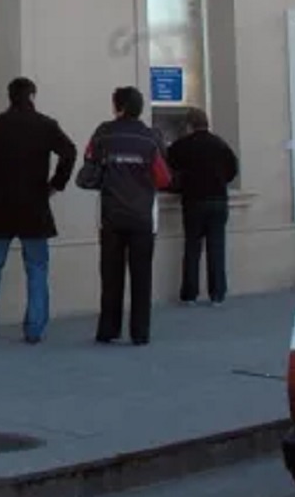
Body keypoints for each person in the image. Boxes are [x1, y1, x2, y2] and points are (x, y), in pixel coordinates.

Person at [0, 76, 78, 343]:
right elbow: (69, 152)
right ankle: (34, 329)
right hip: (34, 206)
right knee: (37, 268)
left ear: (9, 96)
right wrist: (55, 185)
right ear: (32, 96)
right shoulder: (45, 125)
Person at [83, 86, 171, 346]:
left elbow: (89, 169)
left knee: (111, 274)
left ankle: (108, 329)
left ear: (117, 106)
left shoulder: (103, 133)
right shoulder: (152, 137)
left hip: (111, 214)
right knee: (141, 275)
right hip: (143, 215)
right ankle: (140, 332)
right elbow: (164, 176)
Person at [167, 108, 240, 306]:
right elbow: (233, 169)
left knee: (192, 247)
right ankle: (217, 294)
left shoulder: (181, 146)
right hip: (217, 200)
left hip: (194, 201)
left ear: (189, 125)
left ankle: (190, 294)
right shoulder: (219, 144)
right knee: (216, 248)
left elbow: (167, 169)